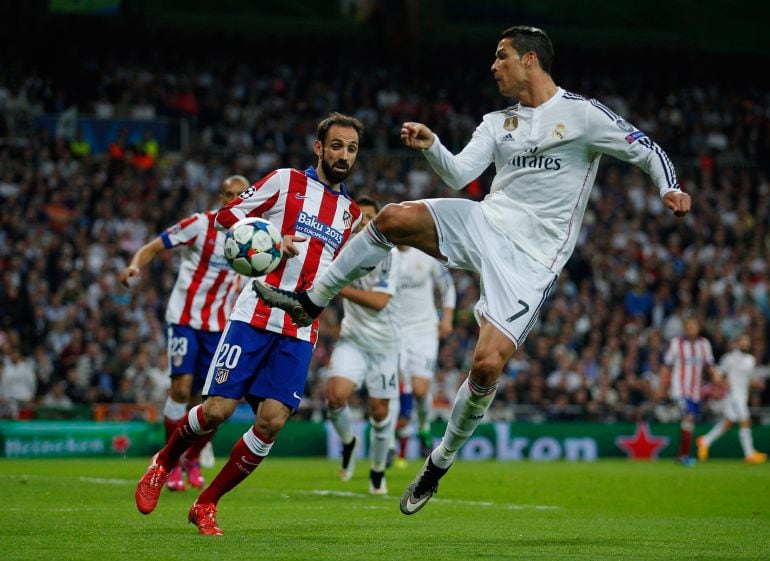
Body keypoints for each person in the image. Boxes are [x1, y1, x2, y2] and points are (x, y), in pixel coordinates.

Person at [253, 26, 691, 515]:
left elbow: (644, 146)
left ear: (529, 60)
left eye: (500, 56)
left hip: (532, 261)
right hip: (486, 220)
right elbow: (461, 175)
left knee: (485, 365)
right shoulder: (496, 122)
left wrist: (667, 188)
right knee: (394, 217)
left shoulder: (582, 115)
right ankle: (313, 300)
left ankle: (439, 462)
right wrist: (432, 143)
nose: (493, 65)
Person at [134, 112, 364, 535]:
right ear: (319, 147)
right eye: (336, 145)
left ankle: (206, 504)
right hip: (254, 314)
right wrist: (275, 240)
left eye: (351, 148)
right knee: (218, 409)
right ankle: (163, 463)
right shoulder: (285, 181)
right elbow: (227, 216)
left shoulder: (349, 213)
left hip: (299, 329)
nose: (344, 155)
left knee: (272, 421)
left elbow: (334, 272)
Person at [120, 175, 248, 491]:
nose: (232, 200)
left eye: (238, 195)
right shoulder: (200, 225)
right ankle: (171, 462)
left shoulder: (254, 235)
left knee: (215, 402)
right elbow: (153, 246)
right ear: (220, 196)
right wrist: (135, 265)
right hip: (185, 319)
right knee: (181, 389)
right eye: (227, 194)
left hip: (221, 327)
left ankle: (194, 456)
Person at [325, 195, 401, 494]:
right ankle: (349, 442)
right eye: (362, 218)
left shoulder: (389, 254)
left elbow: (380, 302)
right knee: (335, 396)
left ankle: (378, 472)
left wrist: (336, 286)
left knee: (380, 413)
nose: (366, 223)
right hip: (353, 339)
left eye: (371, 217)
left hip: (384, 345)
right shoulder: (342, 251)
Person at [393, 247, 455, 466]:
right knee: (400, 384)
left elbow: (447, 285)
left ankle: (424, 430)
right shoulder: (388, 254)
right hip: (396, 330)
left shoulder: (426, 254)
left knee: (420, 390)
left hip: (425, 330)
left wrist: (447, 317)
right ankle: (396, 439)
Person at [697, 333, 767, 464]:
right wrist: (722, 383)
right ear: (737, 343)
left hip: (742, 395)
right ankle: (749, 453)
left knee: (728, 423)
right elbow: (718, 375)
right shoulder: (729, 358)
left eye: (747, 341)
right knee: (745, 421)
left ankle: (705, 440)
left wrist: (756, 383)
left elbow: (747, 379)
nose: (745, 343)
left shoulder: (750, 360)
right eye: (743, 341)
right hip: (733, 396)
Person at [661, 316, 719, 466]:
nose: (691, 329)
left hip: (695, 392)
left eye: (694, 326)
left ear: (698, 328)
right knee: (689, 418)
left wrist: (717, 379)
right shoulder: (676, 343)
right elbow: (666, 365)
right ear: (684, 328)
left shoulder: (704, 344)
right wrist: (663, 384)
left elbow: (710, 365)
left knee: (689, 423)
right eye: (688, 326)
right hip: (679, 389)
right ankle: (684, 456)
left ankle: (682, 455)